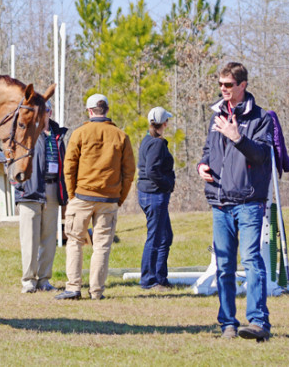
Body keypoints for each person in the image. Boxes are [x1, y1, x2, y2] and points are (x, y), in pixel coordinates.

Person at [197, 62, 274, 341]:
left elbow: (261, 156)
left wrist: (238, 137)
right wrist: (202, 165)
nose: (223, 89)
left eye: (228, 84)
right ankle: (227, 323)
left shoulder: (262, 118)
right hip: (220, 201)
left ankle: (258, 323)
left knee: (252, 260)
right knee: (224, 265)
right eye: (220, 84)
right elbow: (209, 150)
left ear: (242, 85)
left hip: (249, 201)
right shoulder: (217, 115)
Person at [55, 94, 135, 300]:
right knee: (102, 246)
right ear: (107, 110)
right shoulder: (121, 136)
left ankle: (73, 287)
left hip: (82, 196)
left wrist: (72, 194)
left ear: (90, 111)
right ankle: (96, 291)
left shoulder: (80, 133)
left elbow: (69, 166)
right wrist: (119, 198)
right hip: (108, 200)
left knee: (74, 242)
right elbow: (129, 172)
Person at [14, 101, 68, 294]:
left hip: (53, 189)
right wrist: (19, 184)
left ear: (50, 112)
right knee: (29, 238)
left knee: (49, 238)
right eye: (37, 110)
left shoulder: (57, 133)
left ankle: (44, 279)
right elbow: (12, 158)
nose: (41, 114)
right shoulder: (26, 132)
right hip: (30, 189)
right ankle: (29, 280)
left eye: (44, 110)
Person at [137, 107, 175, 291]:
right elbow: (152, 170)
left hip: (149, 194)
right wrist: (167, 183)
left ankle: (160, 277)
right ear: (164, 123)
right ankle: (149, 279)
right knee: (157, 238)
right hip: (154, 195)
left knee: (165, 236)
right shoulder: (157, 143)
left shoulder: (148, 140)